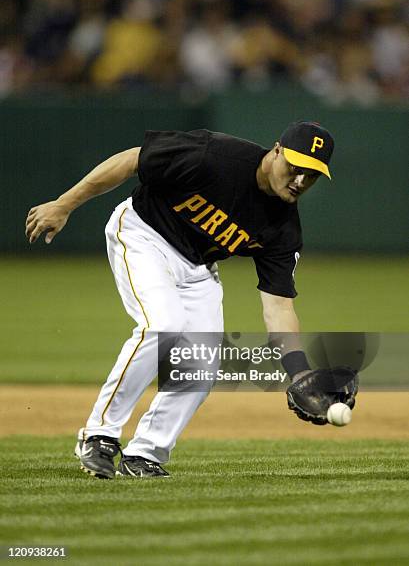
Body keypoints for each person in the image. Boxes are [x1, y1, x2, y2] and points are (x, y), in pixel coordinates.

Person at [25, 121, 349, 480]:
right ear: (276, 151)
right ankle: (99, 435)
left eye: (312, 175)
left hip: (197, 268)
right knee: (162, 324)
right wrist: (65, 203)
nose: (300, 181)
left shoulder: (283, 230)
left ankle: (145, 453)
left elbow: (279, 307)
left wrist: (299, 373)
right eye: (295, 167)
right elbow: (133, 160)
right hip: (143, 234)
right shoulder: (214, 156)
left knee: (202, 363)